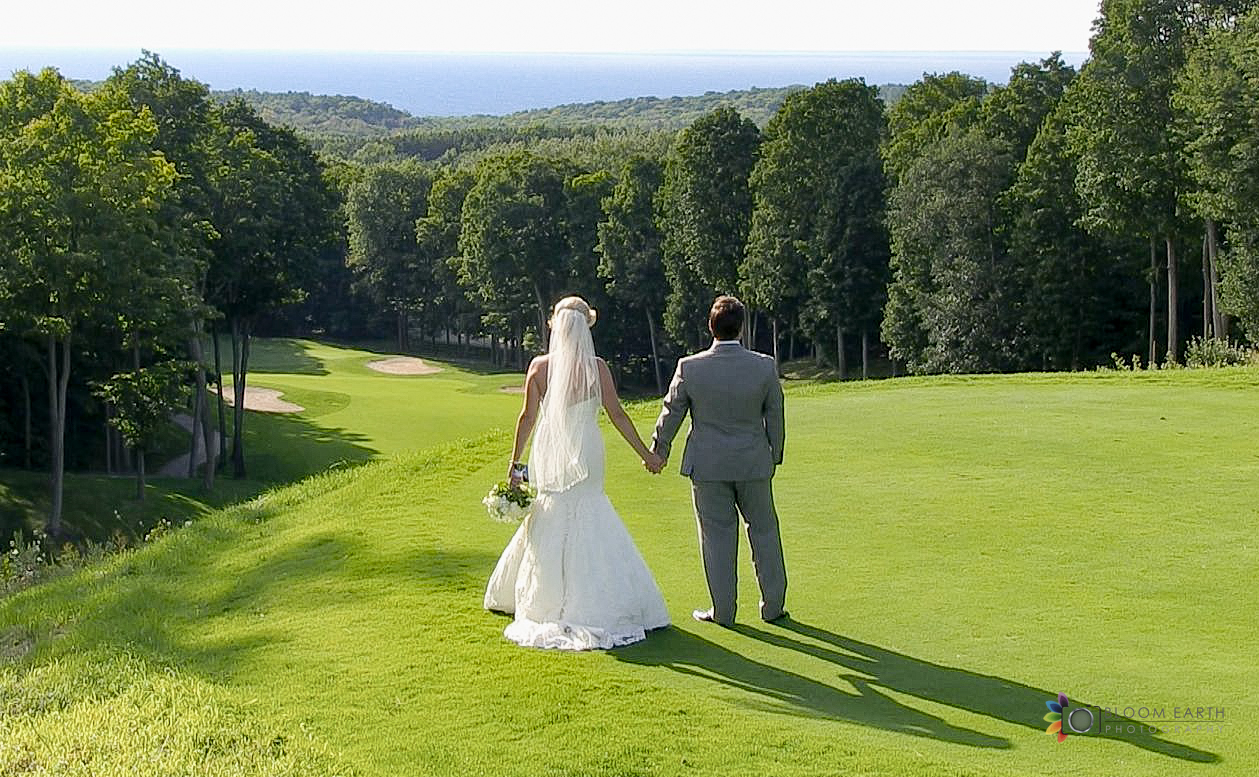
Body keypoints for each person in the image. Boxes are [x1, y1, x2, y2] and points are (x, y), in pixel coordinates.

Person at [484, 296, 671, 650]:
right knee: (589, 508)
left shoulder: (539, 367)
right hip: (586, 447)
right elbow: (618, 416)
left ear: (555, 326)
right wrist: (647, 455)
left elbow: (526, 418)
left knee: (551, 512)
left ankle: (544, 601)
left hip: (551, 447)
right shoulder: (597, 368)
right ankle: (594, 600)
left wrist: (515, 465)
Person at [650, 295, 787, 626]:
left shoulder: (690, 367)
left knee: (716, 538)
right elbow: (776, 413)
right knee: (765, 533)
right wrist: (775, 453)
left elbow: (672, 411)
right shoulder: (764, 365)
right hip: (753, 462)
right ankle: (772, 607)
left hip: (708, 466)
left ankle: (723, 612)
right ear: (741, 326)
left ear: (711, 327)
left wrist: (660, 449)